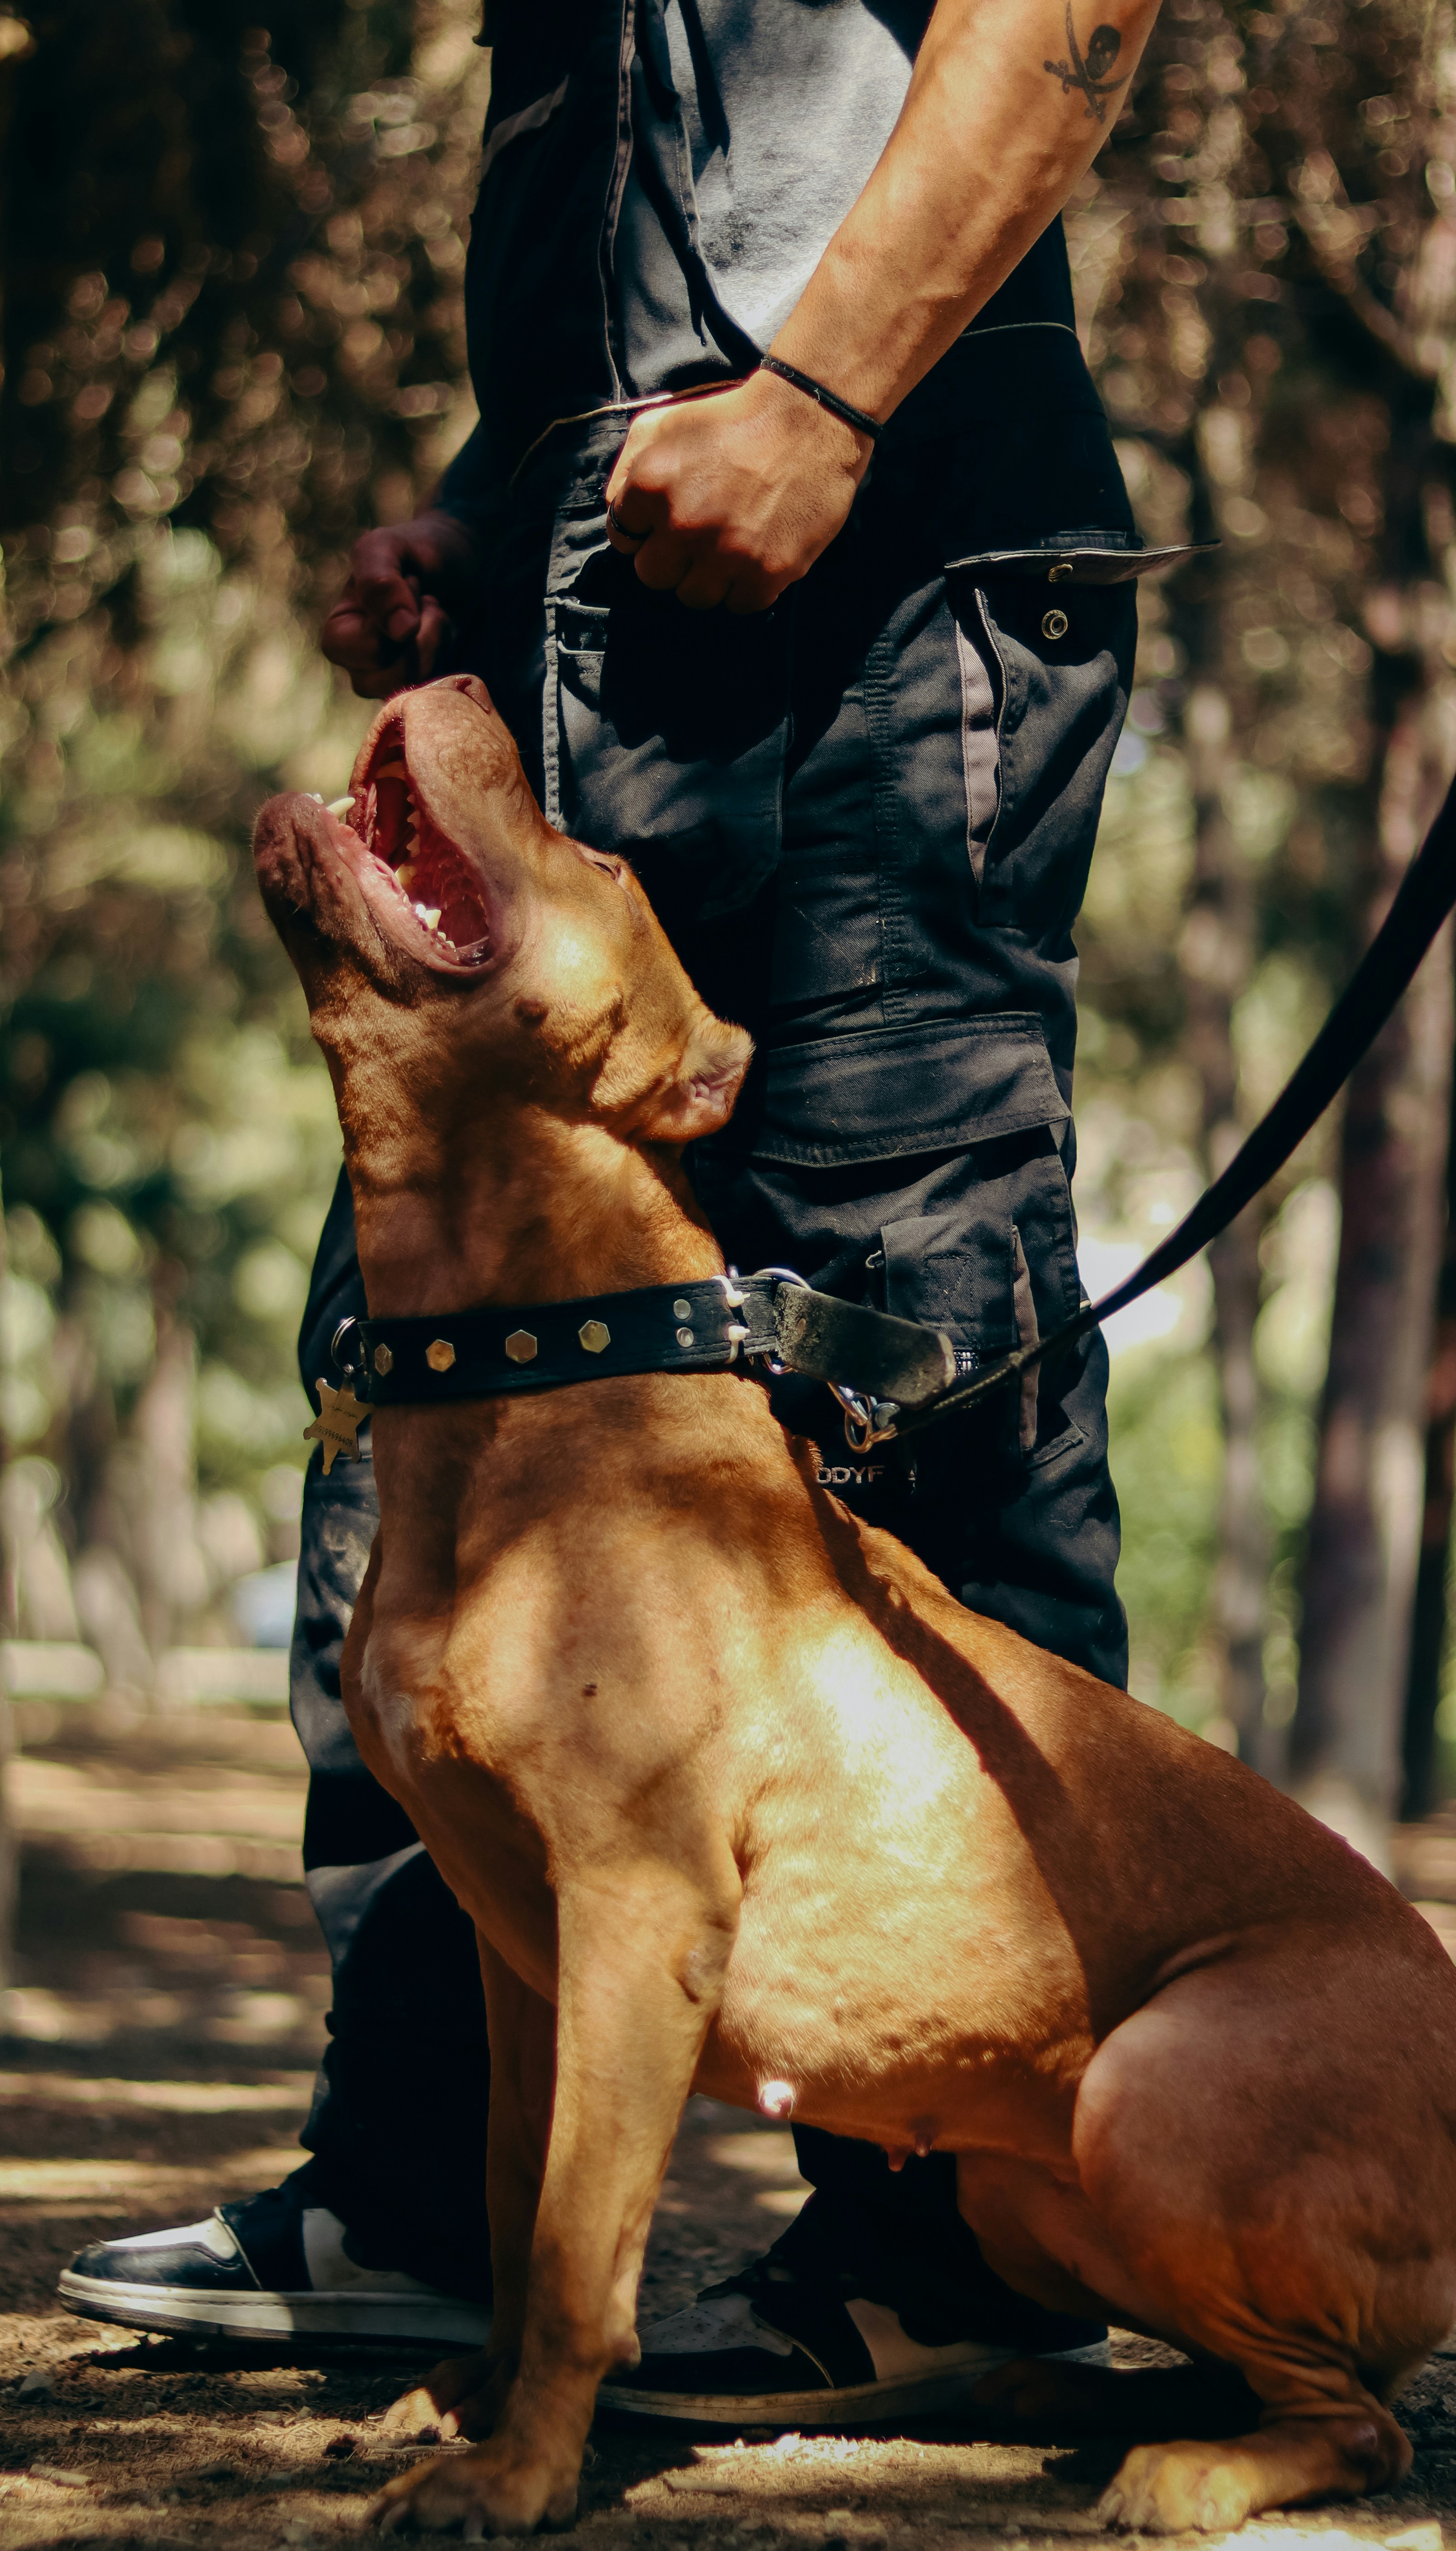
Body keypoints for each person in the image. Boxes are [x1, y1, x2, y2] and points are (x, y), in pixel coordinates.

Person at [62, 0, 1173, 2422]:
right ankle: (430, 2194)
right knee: (444, 1316)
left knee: (904, 1330)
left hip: (905, 549)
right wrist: (494, 489)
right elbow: (662, 183)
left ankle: (959, 2241)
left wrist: (829, 398)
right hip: (615, 567)